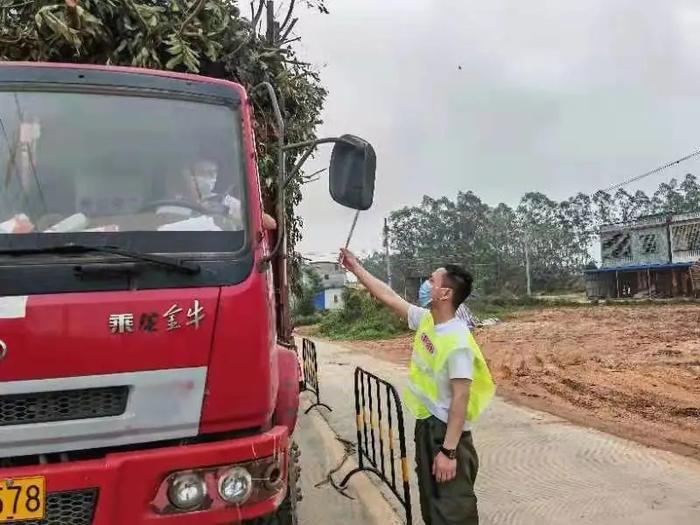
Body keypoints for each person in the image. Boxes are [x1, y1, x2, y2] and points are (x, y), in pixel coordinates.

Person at [339, 249, 495, 525]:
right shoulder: (427, 320)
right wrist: (356, 268)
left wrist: (448, 452)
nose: (426, 285)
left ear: (445, 294)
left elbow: (461, 398)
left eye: (432, 282)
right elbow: (388, 296)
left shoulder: (458, 342)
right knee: (432, 506)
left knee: (453, 511)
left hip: (449, 435)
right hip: (428, 425)